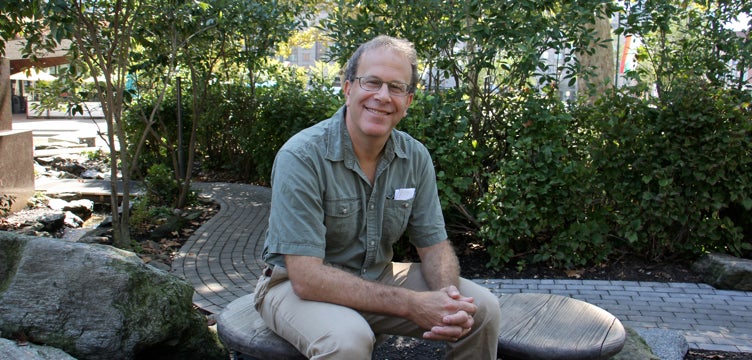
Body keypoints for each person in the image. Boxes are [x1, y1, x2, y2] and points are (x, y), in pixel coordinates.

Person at [255, 35, 502, 359]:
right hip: (292, 288)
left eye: (396, 87)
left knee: (481, 309)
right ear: (348, 88)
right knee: (347, 341)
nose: (383, 96)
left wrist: (447, 298)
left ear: (408, 100)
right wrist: (413, 305)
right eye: (372, 82)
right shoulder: (302, 156)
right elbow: (306, 278)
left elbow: (435, 246)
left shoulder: (414, 157)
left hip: (375, 276)